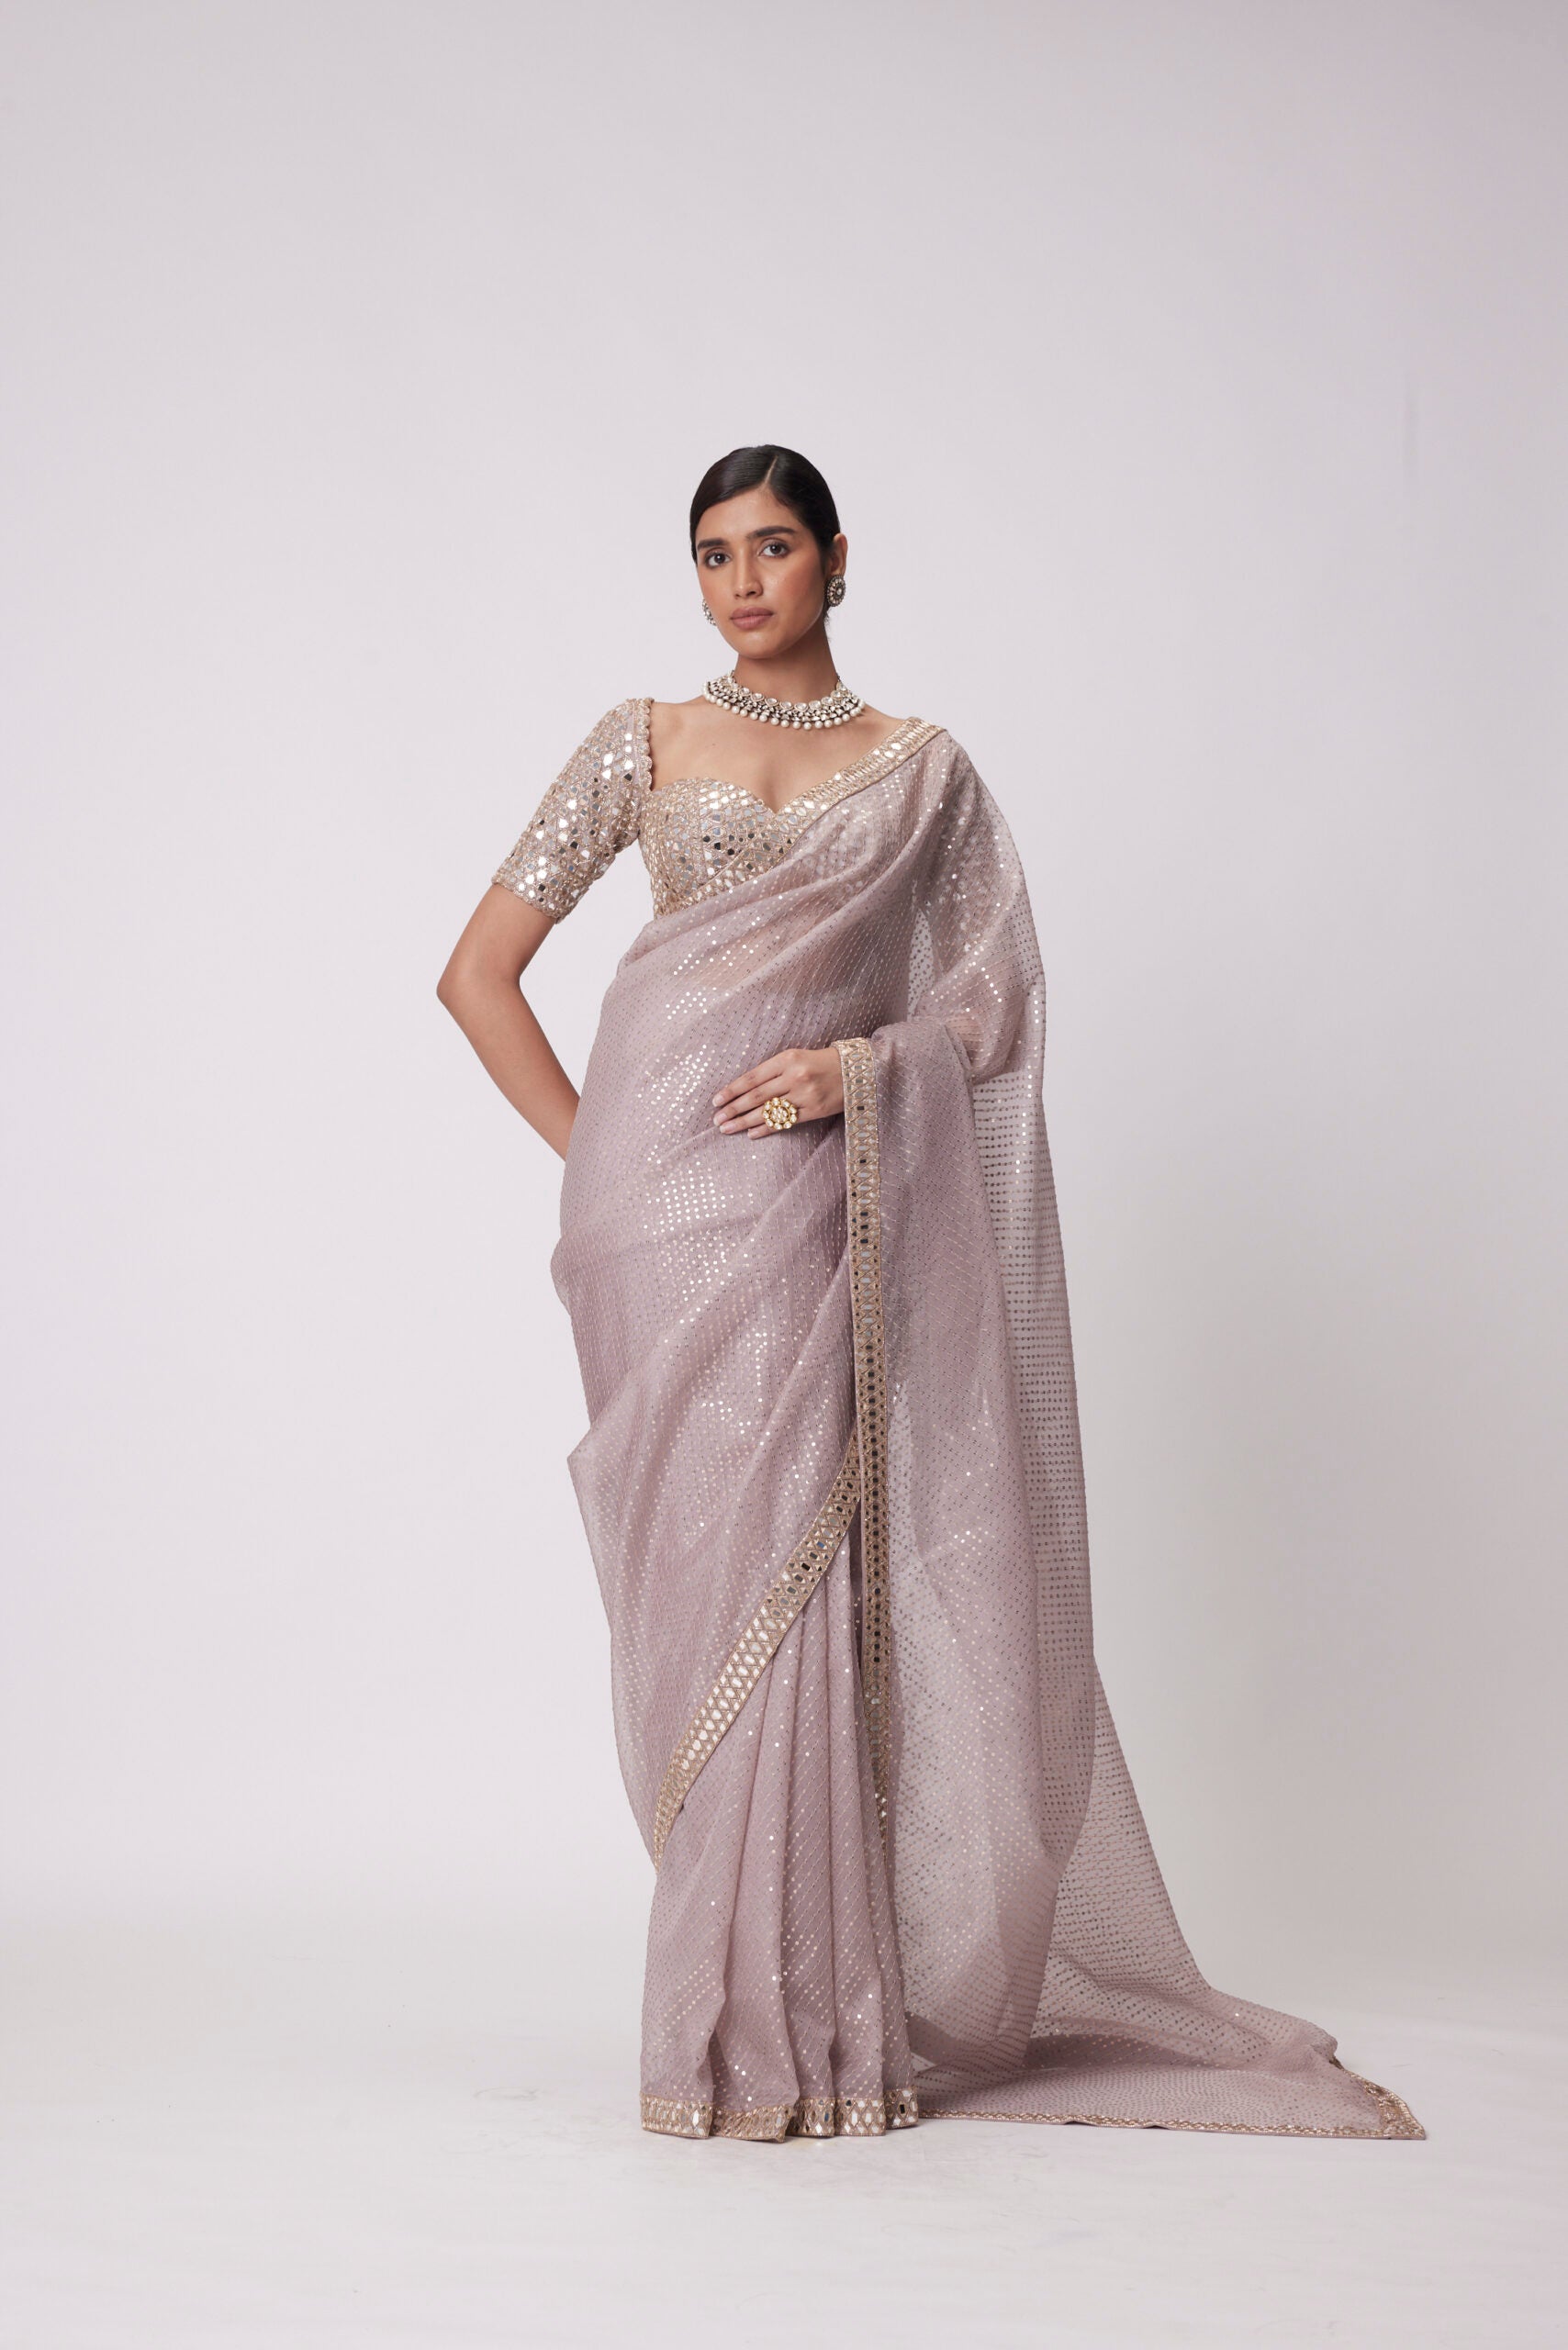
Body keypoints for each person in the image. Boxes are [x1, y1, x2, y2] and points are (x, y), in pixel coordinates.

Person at [437, 444, 1424, 2145]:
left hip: (813, 1209)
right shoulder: (640, 741)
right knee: (696, 1597)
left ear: (838, 559)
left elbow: (993, 1004)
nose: (742, 584)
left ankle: (810, 2036)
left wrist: (855, 1071)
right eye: (711, 555)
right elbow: (476, 975)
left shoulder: (921, 774)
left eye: (772, 547)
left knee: (802, 1584)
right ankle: (729, 2022)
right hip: (650, 1232)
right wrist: (611, 1163)